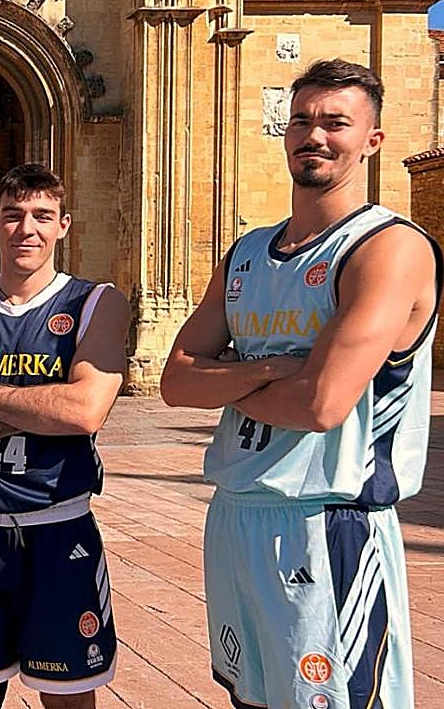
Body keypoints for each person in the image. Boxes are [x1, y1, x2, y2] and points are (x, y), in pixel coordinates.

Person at [161, 59, 441, 708]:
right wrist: (267, 368)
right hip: (236, 513)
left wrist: (225, 377)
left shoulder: (388, 248)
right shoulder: (248, 251)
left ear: (372, 140)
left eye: (336, 122)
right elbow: (176, 381)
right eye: (302, 120)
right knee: (251, 699)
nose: (315, 136)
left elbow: (321, 403)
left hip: (329, 520)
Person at [0, 164, 129, 709]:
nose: (29, 229)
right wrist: (42, 400)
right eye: (15, 216)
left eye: (43, 216)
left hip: (58, 531)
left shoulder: (95, 303)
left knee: (68, 698)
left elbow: (85, 410)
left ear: (64, 225)